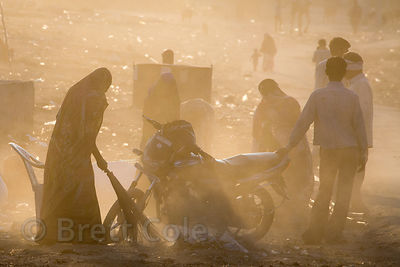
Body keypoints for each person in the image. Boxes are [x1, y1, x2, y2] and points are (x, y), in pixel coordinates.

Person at [278, 57, 368, 244]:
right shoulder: (352, 97)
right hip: (349, 151)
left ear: (326, 73)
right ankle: (334, 234)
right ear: (344, 73)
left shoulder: (318, 96)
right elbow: (359, 127)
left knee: (325, 191)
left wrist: (289, 146)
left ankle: (315, 232)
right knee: (343, 193)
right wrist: (363, 153)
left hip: (329, 151)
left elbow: (303, 123)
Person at [39, 68, 112, 244]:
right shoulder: (94, 98)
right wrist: (99, 158)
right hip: (75, 156)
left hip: (58, 154)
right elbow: (87, 134)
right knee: (82, 192)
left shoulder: (76, 92)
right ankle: (85, 235)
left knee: (60, 191)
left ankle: (53, 233)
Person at [253, 79, 313, 220]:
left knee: (282, 179)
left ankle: (286, 214)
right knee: (300, 178)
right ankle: (299, 211)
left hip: (278, 148)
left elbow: (257, 133)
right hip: (297, 144)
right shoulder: (291, 101)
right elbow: (302, 124)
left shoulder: (263, 105)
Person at [344, 52, 373, 213]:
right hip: (356, 137)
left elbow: (362, 113)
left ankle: (355, 202)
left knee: (356, 171)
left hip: (357, 137)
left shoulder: (360, 85)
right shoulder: (355, 83)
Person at [140, 73, 181, 149]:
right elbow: (148, 115)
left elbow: (176, 112)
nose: (167, 88)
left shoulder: (174, 94)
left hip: (166, 127)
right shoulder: (153, 94)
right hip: (153, 124)